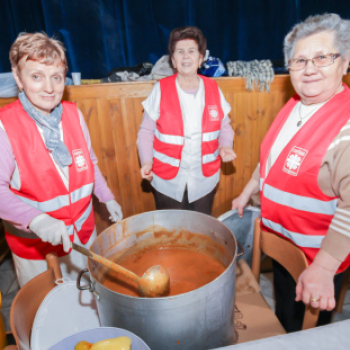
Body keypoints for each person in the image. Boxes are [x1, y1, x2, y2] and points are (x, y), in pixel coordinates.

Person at [232, 13, 350, 332]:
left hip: (318, 258)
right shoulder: (295, 104)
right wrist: (248, 190)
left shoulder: (347, 127)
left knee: (305, 332)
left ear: (345, 61)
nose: (309, 68)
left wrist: (325, 268)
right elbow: (272, 158)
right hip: (282, 240)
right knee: (285, 315)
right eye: (299, 61)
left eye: (322, 57)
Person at [0, 32, 123, 287]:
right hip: (36, 250)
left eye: (56, 78)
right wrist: (37, 220)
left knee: (89, 302)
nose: (49, 87)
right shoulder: (5, 126)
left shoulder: (73, 114)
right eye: (37, 77)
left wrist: (107, 196)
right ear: (18, 78)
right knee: (50, 317)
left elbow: (88, 162)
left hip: (82, 237)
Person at [137, 26, 236, 215]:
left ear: (200, 58)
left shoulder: (214, 88)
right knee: (171, 231)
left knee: (200, 232)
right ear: (173, 60)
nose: (186, 57)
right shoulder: (160, 89)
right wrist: (146, 161)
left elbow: (225, 128)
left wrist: (226, 146)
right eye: (180, 52)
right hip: (167, 181)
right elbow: (146, 132)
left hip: (204, 180)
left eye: (192, 51)